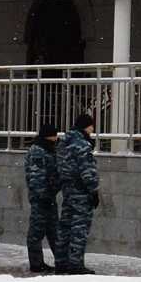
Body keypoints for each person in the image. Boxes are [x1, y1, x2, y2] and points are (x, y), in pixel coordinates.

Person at [54, 111, 100, 273]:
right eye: (91, 126)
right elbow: (87, 170)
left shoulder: (64, 142)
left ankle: (61, 262)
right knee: (79, 228)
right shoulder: (81, 144)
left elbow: (59, 165)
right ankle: (75, 264)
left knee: (65, 225)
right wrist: (94, 191)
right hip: (81, 191)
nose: (92, 130)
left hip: (67, 189)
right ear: (86, 126)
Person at [23, 123, 62, 272]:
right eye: (55, 135)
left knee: (54, 231)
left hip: (48, 197)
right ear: (49, 135)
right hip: (41, 199)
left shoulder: (48, 149)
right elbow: (36, 177)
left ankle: (61, 261)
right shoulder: (38, 151)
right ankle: (36, 264)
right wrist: (43, 196)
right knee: (36, 232)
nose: (57, 137)